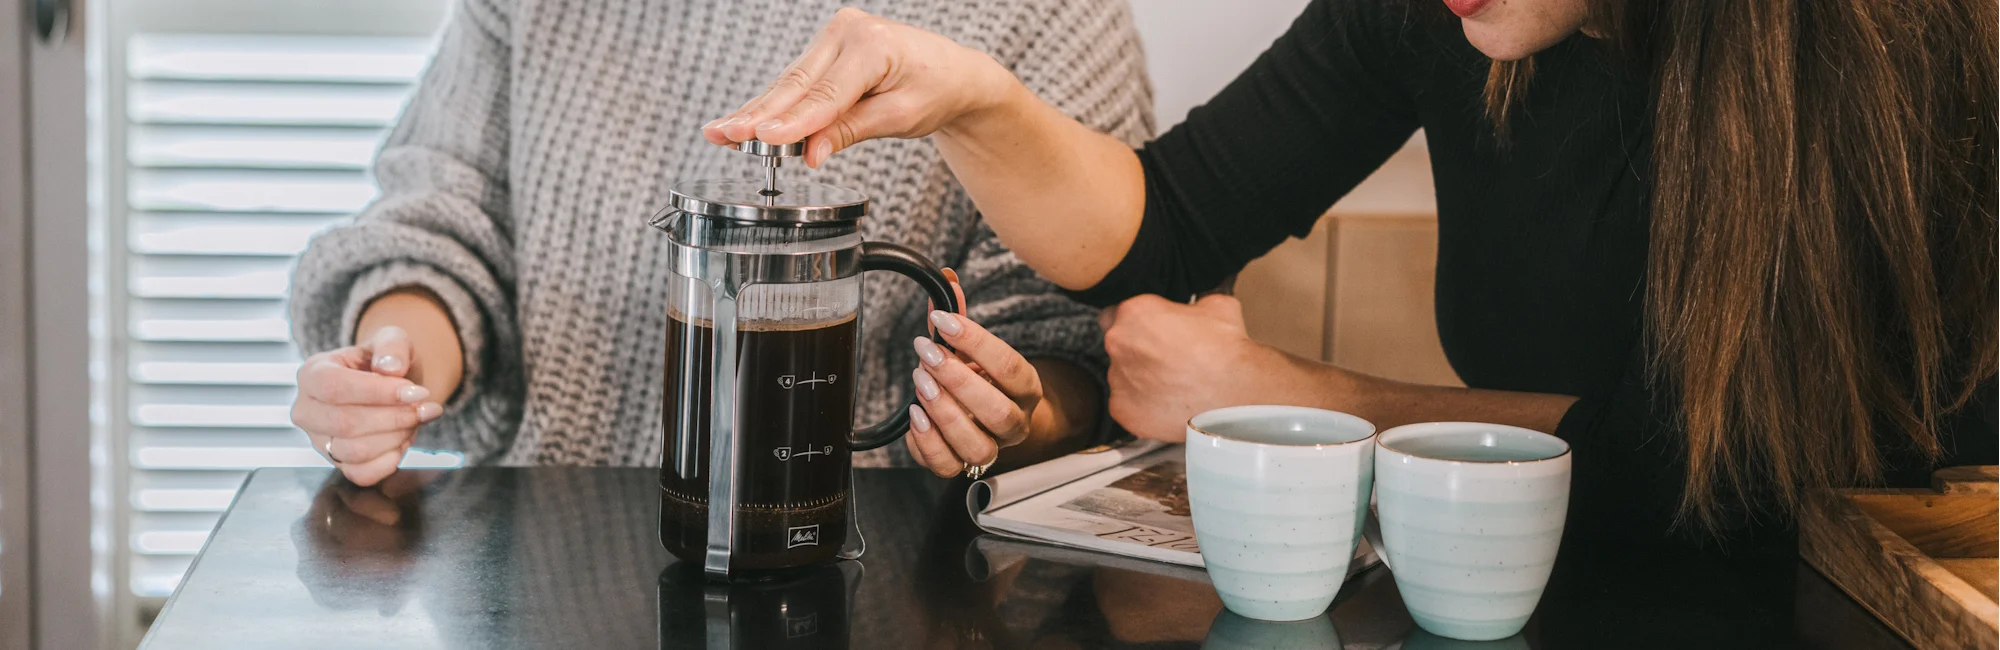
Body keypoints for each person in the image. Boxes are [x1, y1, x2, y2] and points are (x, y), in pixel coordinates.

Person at [706, 0, 1997, 545]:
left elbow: (1800, 476)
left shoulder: (1901, 54)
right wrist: (976, 103)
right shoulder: (1440, 13)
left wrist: (1307, 397)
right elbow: (1170, 220)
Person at [286, 0, 1155, 486]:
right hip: (540, 562)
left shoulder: (1050, 17)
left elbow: (1069, 343)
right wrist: (394, 374)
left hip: (885, 574)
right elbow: (442, 221)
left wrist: (1009, 415)